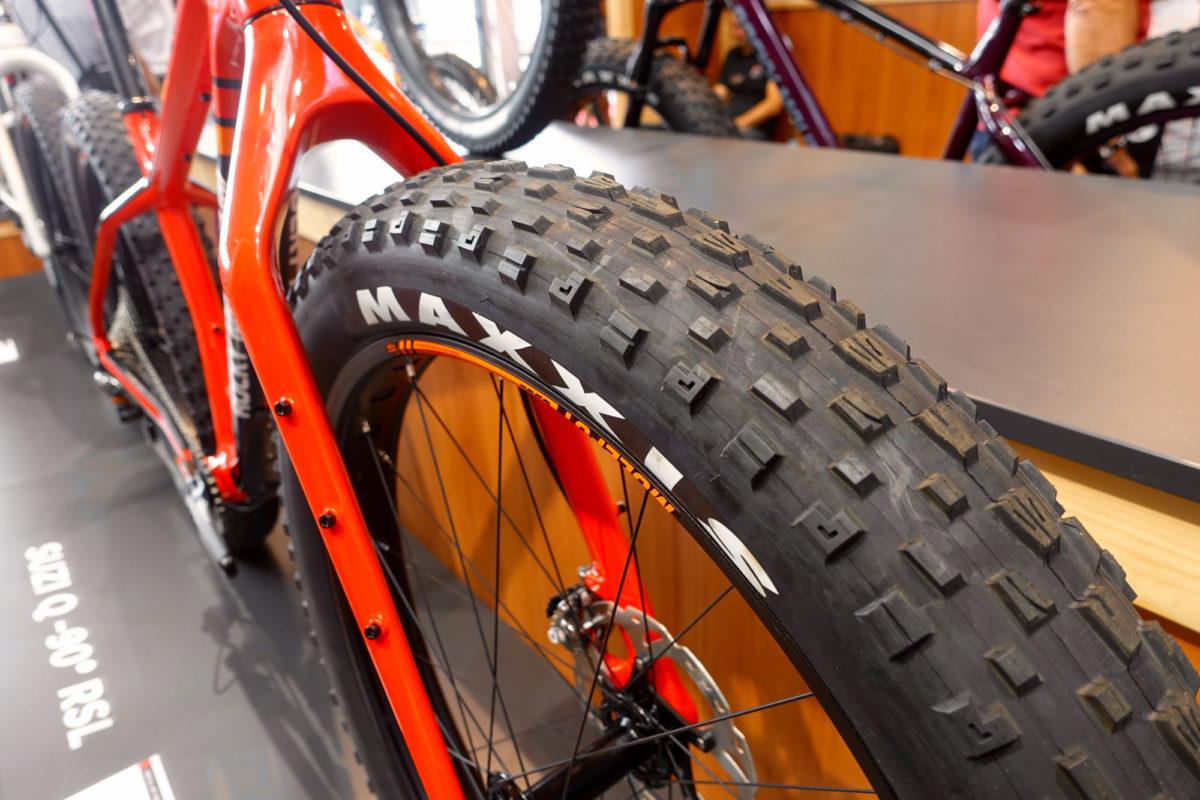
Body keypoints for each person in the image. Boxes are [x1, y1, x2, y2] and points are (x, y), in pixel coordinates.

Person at [714, 20, 783, 140]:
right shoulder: (732, 55)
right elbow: (721, 91)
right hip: (728, 122)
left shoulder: (770, 56)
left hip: (754, 129)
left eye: (741, 26)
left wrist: (737, 124)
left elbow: (774, 105)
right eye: (734, 27)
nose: (737, 33)